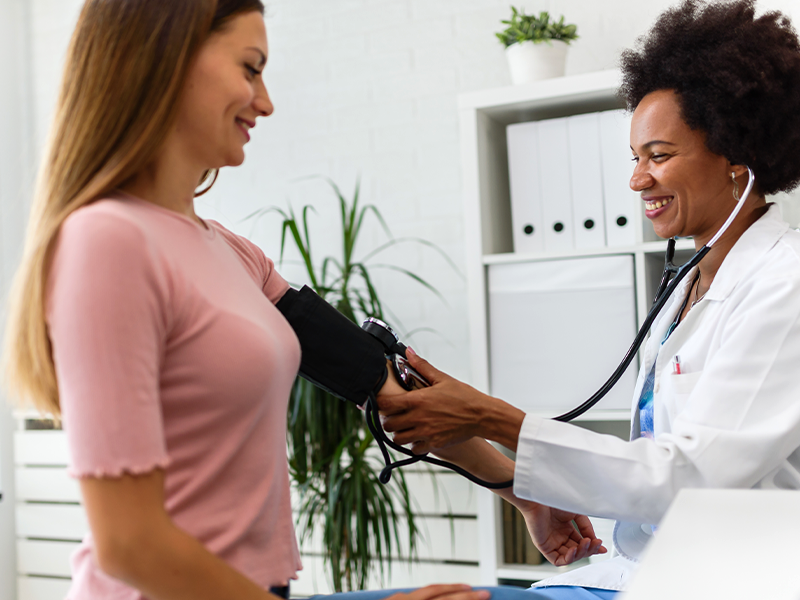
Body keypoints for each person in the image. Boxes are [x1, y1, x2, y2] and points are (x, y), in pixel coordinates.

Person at [1, 1, 597, 600]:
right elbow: (129, 544)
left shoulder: (233, 254)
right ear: (165, 58)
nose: (265, 102)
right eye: (250, 68)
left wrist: (521, 491)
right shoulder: (107, 241)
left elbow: (383, 386)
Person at [377, 0, 800, 597]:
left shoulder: (785, 284)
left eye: (659, 155)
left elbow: (690, 477)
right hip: (645, 571)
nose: (637, 180)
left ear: (737, 157)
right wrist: (531, 484)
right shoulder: (687, 286)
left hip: (733, 580)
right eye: (635, 158)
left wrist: (491, 417)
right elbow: (652, 469)